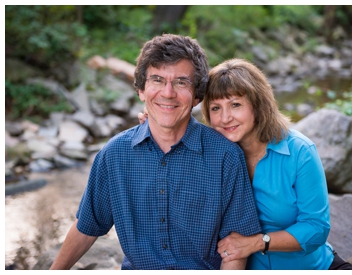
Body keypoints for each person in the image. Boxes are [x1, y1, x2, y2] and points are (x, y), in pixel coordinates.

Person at [50, 34, 261, 270]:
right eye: (157, 80)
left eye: (181, 82)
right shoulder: (115, 154)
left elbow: (236, 249)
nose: (168, 92)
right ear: (142, 90)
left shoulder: (225, 156)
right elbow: (87, 227)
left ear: (197, 96)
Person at [186, 59, 352, 270]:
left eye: (235, 105)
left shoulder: (299, 151)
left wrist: (257, 242)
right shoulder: (208, 153)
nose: (225, 118)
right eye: (216, 108)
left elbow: (316, 227)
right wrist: (155, 123)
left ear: (258, 105)